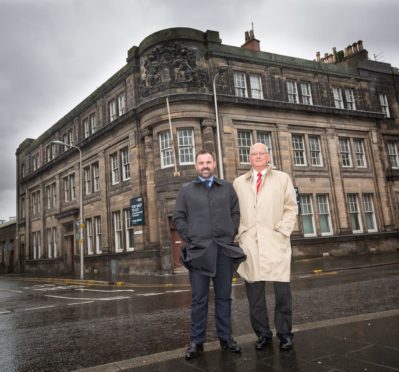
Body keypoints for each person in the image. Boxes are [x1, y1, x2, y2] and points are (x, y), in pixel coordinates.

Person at [173, 149, 246, 360]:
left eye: (208, 162)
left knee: (224, 297)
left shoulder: (227, 188)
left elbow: (235, 212)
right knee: (199, 299)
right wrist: (192, 237)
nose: (205, 165)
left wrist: (230, 231)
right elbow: (178, 218)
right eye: (201, 162)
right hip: (198, 253)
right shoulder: (186, 190)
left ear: (214, 164)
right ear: (196, 166)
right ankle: (197, 342)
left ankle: (226, 338)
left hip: (223, 251)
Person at [233, 143, 298, 351]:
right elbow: (233, 213)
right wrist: (240, 235)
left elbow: (291, 208)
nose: (258, 156)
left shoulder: (282, 178)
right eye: (254, 153)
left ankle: (285, 334)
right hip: (250, 245)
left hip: (275, 242)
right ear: (249, 157)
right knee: (255, 297)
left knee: (282, 295)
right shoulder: (238, 183)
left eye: (262, 153)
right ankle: (263, 335)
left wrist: (283, 231)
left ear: (268, 156)